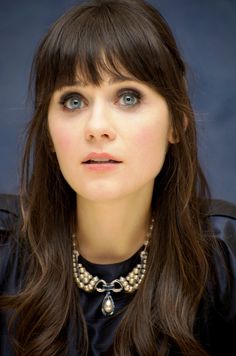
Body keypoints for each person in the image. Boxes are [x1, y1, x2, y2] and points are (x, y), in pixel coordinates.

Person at [0, 0, 235, 355]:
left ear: (176, 124)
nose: (97, 128)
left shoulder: (226, 255)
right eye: (74, 101)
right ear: (47, 133)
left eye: (128, 97)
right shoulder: (4, 248)